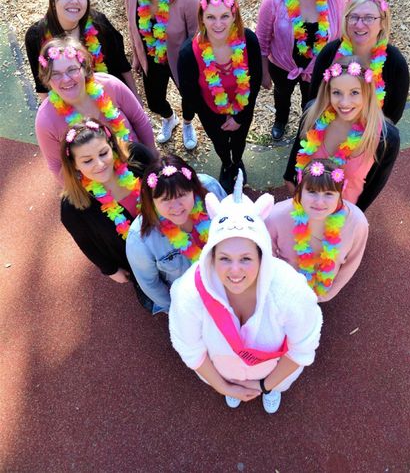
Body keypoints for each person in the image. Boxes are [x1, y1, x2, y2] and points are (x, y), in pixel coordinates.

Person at [169, 173, 322, 414]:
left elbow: (302, 348)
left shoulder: (290, 289)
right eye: (224, 258)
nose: (235, 270)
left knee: (274, 387)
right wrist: (223, 386)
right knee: (231, 389)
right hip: (223, 374)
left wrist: (265, 385)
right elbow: (190, 348)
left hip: (273, 375)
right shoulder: (189, 292)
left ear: (262, 256)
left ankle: (272, 391)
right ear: (211, 256)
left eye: (246, 258)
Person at [59, 118, 155, 309]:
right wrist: (110, 270)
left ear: (111, 145)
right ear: (74, 164)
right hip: (133, 261)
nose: (100, 164)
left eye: (103, 153)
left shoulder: (137, 157)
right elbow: (85, 243)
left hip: (168, 237)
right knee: (153, 292)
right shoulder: (73, 206)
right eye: (87, 161)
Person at [283, 57, 400, 211]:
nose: (344, 103)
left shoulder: (385, 138)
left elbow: (374, 186)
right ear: (328, 91)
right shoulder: (314, 114)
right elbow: (299, 147)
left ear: (368, 93)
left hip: (343, 215)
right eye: (337, 92)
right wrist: (290, 179)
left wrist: (353, 215)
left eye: (354, 92)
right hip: (305, 206)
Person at [256, 0, 344, 140]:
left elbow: (341, 35)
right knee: (282, 94)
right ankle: (280, 120)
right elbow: (262, 39)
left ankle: (306, 126)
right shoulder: (274, 0)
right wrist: (264, 72)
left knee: (310, 99)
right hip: (282, 65)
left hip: (317, 67)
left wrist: (339, 68)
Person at [178, 0, 262, 193]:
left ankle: (238, 160)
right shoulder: (188, 53)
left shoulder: (249, 41)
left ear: (234, 16)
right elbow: (190, 95)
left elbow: (255, 81)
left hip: (243, 108)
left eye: (224, 16)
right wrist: (216, 118)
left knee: (239, 140)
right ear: (202, 18)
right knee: (221, 143)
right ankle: (226, 163)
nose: (218, 24)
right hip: (210, 113)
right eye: (211, 17)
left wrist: (239, 117)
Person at [35, 37, 155, 181]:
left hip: (137, 165)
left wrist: (154, 159)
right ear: (47, 79)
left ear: (84, 68)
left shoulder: (110, 85)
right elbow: (57, 166)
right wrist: (80, 192)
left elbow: (140, 121)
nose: (66, 79)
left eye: (72, 70)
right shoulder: (46, 120)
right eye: (55, 74)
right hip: (98, 186)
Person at [123, 0, 200, 148]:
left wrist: (197, 69)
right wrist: (137, 54)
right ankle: (169, 118)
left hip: (181, 59)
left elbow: (196, 36)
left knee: (190, 99)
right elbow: (132, 22)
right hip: (151, 55)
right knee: (154, 102)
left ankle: (187, 123)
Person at [126, 154, 226, 314]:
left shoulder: (210, 190)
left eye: (181, 195)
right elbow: (150, 284)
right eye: (165, 199)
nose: (176, 207)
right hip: (191, 301)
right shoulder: (140, 239)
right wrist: (177, 310)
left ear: (193, 188)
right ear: (151, 200)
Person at [25, 0, 139, 101]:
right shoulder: (36, 36)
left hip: (109, 98)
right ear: (53, 2)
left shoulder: (99, 23)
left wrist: (135, 98)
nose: (74, 1)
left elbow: (121, 64)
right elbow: (42, 86)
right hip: (69, 105)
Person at [266, 159, 368, 302]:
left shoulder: (357, 223)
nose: (319, 202)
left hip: (321, 293)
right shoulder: (276, 217)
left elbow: (351, 263)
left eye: (329, 194)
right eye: (312, 191)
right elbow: (265, 256)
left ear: (340, 192)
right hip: (283, 291)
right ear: (300, 189)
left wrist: (326, 295)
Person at [310, 0, 409, 124]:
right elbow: (315, 99)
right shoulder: (329, 53)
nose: (359, 25)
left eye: (369, 18)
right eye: (354, 17)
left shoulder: (395, 62)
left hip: (373, 131)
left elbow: (393, 114)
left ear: (382, 23)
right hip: (329, 127)